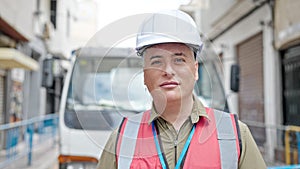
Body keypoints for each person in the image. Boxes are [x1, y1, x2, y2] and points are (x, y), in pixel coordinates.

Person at [96, 10, 266, 169]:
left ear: (195, 70)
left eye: (179, 60)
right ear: (144, 75)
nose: (168, 71)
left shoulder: (235, 134)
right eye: (156, 61)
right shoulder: (123, 138)